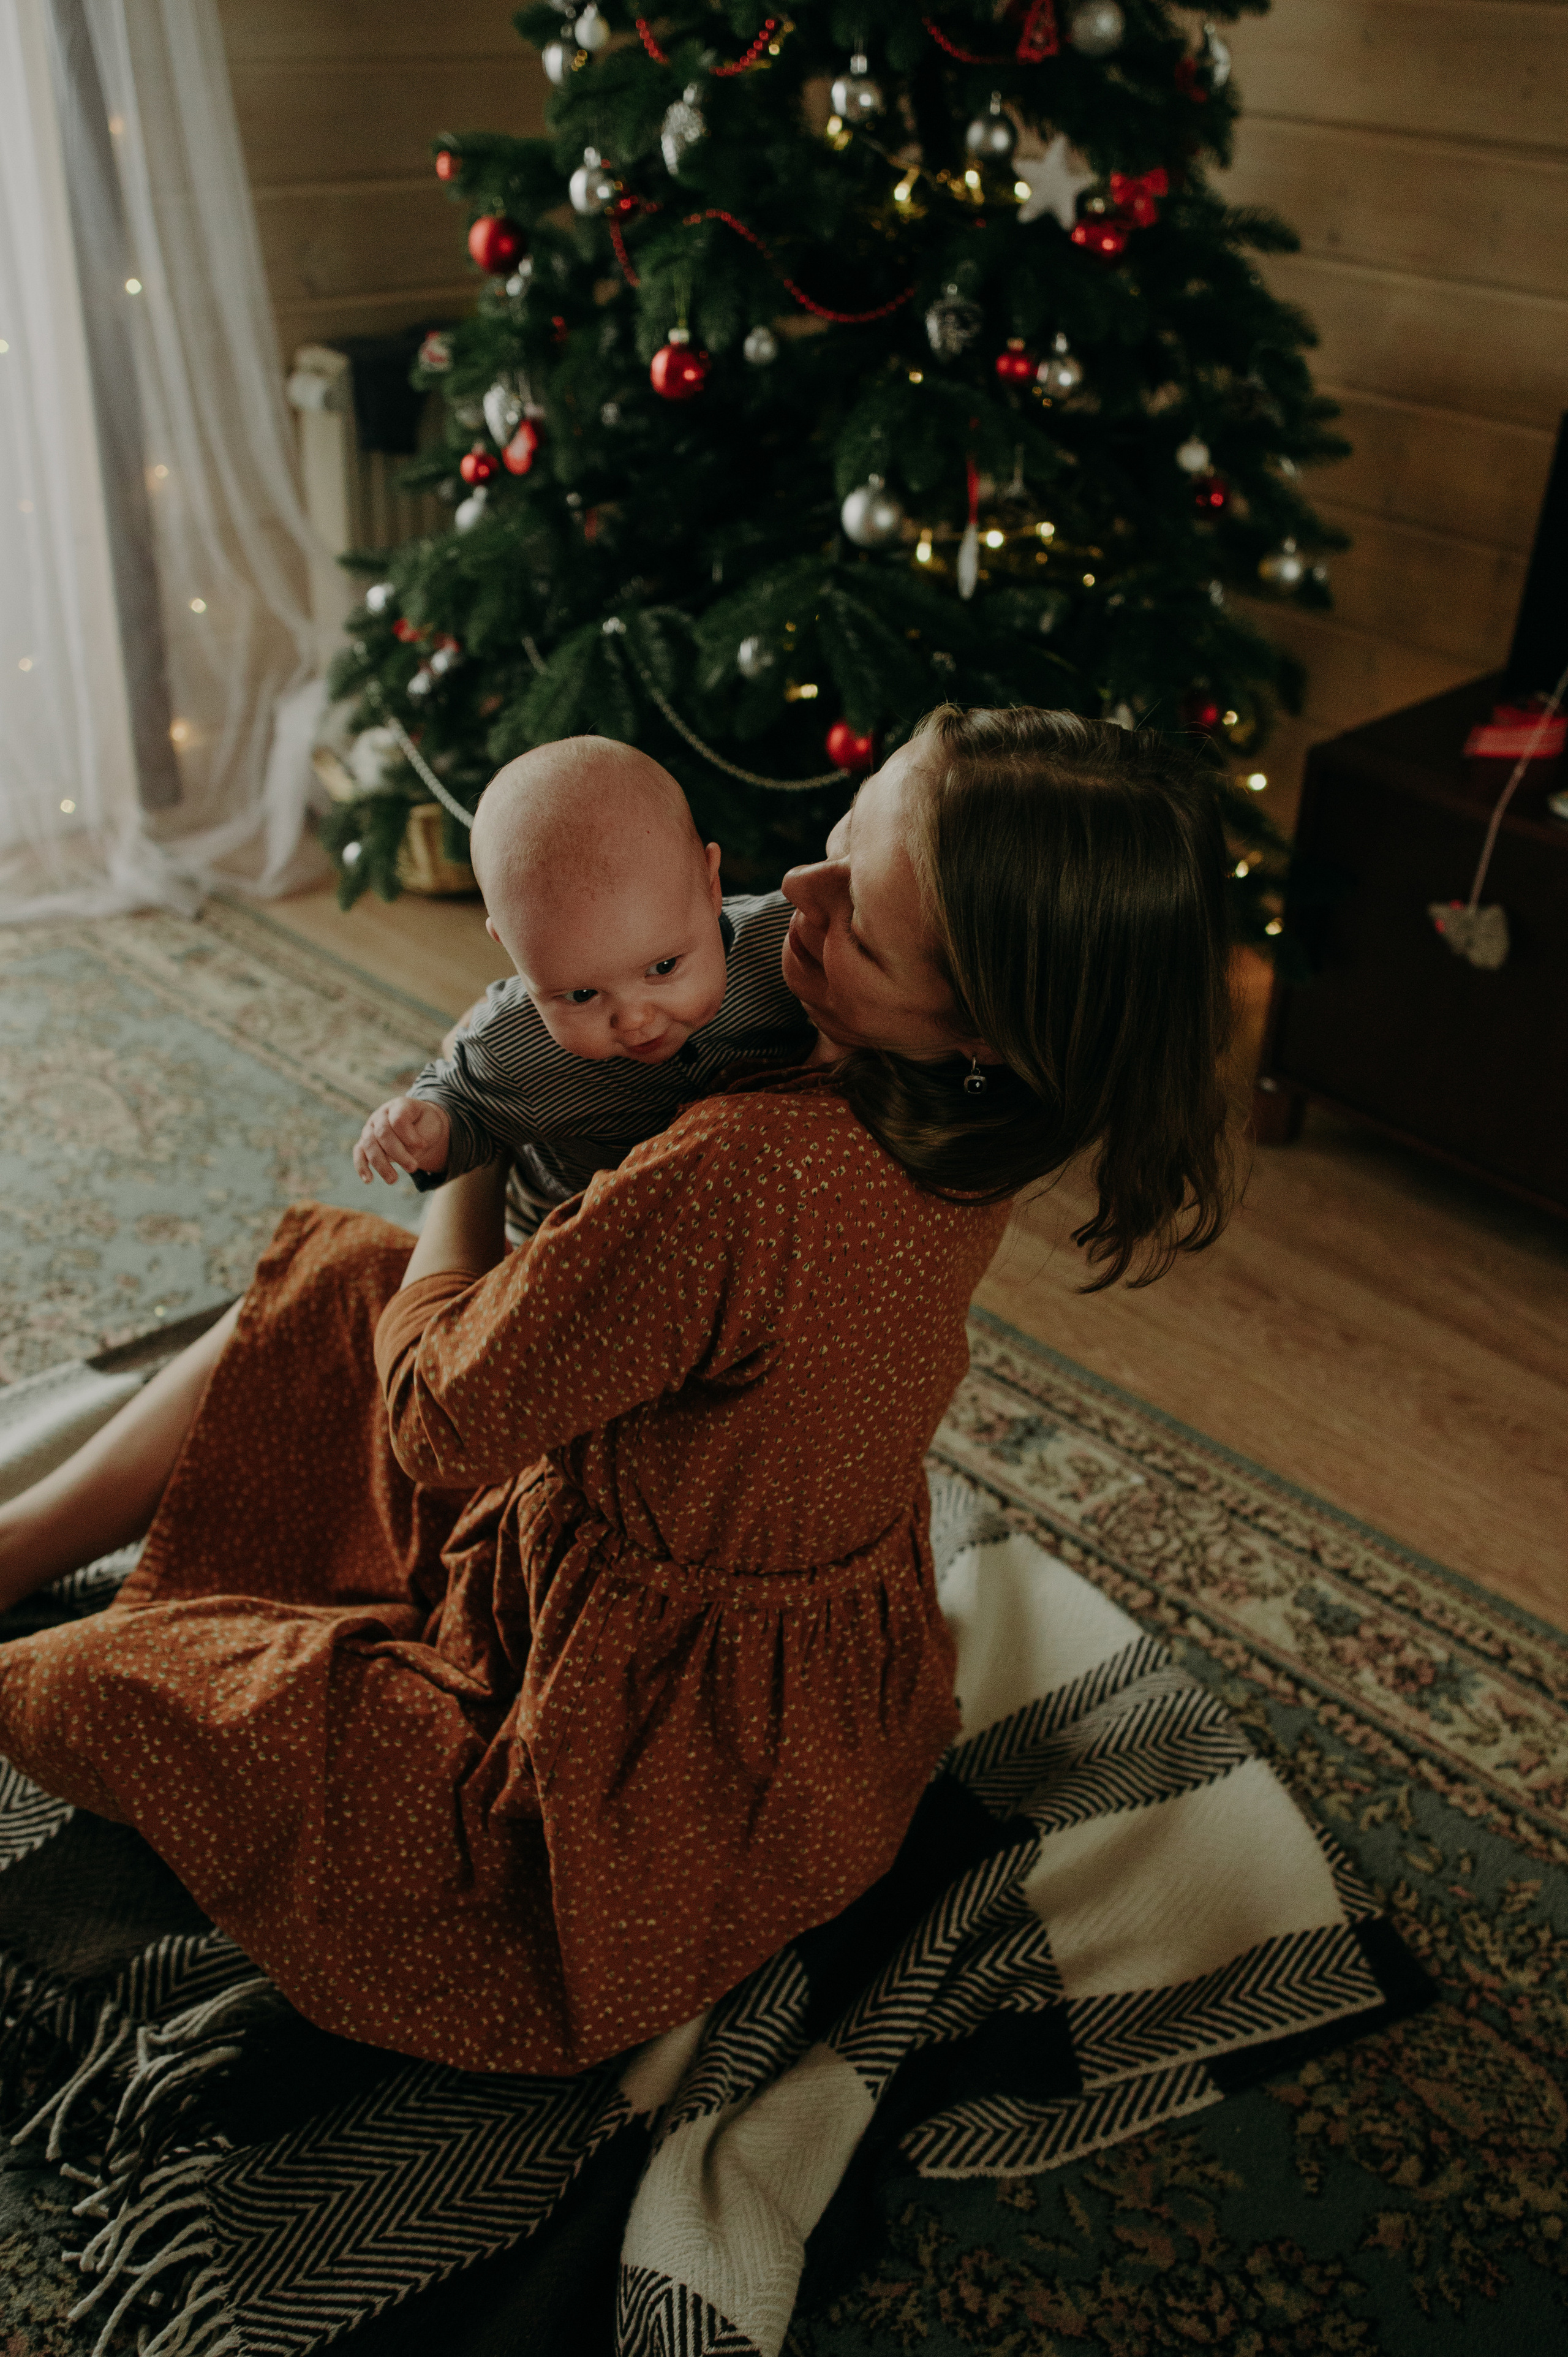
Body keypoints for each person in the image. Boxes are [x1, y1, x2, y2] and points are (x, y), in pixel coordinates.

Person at [0, 706, 1235, 2077]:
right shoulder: (974, 1105)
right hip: (807, 1691)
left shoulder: (744, 1173)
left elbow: (431, 1424)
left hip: (629, 1765)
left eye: (859, 921)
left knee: (90, 1685)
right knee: (340, 1282)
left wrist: (473, 1154)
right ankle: (22, 1540)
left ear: (984, 1022)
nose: (799, 890)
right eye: (839, 837)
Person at [352, 737, 810, 1223]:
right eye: (582, 994)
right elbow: (463, 1110)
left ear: (711, 885)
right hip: (578, 1231)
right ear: (509, 946)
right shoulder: (513, 1045)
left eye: (663, 968)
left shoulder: (786, 945)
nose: (635, 1019)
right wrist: (425, 1127)